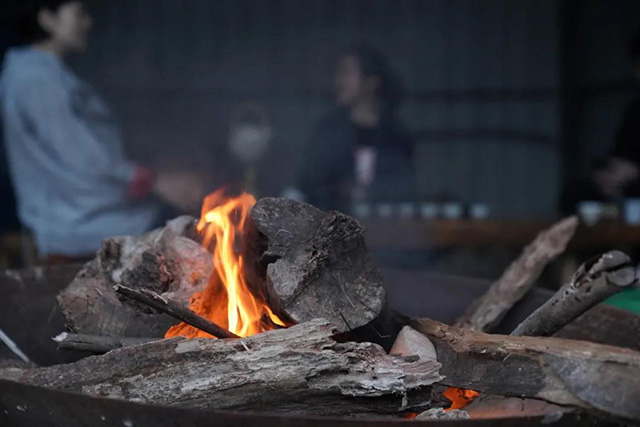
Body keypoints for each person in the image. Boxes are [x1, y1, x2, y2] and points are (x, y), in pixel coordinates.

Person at [0, 0, 206, 261]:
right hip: (77, 224)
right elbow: (81, 154)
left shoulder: (46, 74)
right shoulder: (36, 78)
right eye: (80, 13)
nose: (89, 22)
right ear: (47, 18)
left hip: (83, 212)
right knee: (183, 233)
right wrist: (154, 180)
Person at [295, 44, 415, 212]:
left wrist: (373, 192)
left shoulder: (395, 134)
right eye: (338, 73)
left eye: (346, 73)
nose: (339, 81)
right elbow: (311, 184)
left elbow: (404, 186)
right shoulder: (327, 131)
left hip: (384, 229)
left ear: (371, 81)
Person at [593, 30, 640, 199]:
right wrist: (609, 177)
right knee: (578, 192)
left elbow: (632, 169)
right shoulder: (634, 111)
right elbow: (620, 156)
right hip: (633, 203)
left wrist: (635, 172)